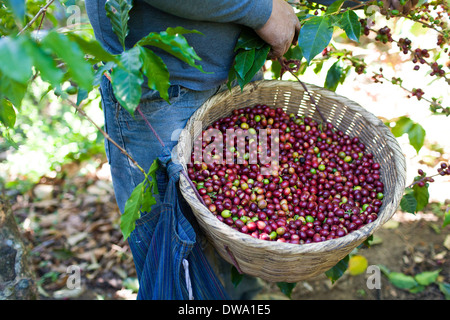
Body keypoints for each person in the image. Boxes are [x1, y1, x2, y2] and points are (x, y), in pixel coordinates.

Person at [85, 0, 417, 300]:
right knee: (175, 259)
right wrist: (261, 10)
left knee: (236, 255)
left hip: (238, 75)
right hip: (162, 89)